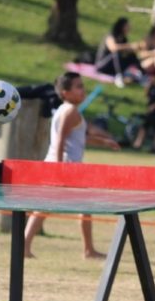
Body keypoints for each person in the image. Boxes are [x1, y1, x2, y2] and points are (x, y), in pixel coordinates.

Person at [24, 72, 120, 260]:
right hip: (67, 165)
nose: (83, 90)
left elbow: (78, 137)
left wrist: (104, 142)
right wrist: (60, 170)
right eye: (78, 86)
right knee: (79, 206)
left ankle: (26, 246)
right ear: (65, 92)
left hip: (58, 163)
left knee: (46, 208)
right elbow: (60, 141)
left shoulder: (64, 109)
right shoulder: (71, 111)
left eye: (82, 85)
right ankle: (88, 250)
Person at [95, 17, 144, 86]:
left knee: (131, 55)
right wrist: (129, 46)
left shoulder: (123, 38)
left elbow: (127, 50)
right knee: (116, 53)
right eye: (127, 26)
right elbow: (113, 48)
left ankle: (141, 73)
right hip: (102, 65)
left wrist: (136, 47)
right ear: (122, 26)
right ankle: (119, 76)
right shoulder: (110, 36)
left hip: (113, 66)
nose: (129, 28)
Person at [131, 68, 155, 153]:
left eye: (153, 76)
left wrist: (153, 107)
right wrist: (148, 86)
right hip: (149, 111)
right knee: (144, 127)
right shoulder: (151, 86)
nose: (151, 78)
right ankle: (138, 144)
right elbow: (146, 95)